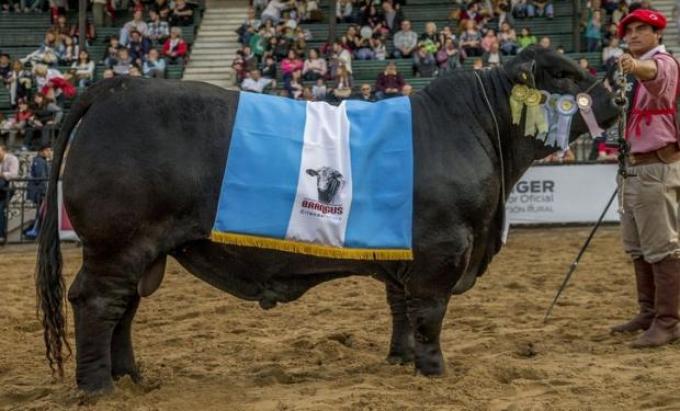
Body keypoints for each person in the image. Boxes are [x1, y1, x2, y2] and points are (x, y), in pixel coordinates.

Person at [610, 9, 680, 348]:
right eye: (630, 30)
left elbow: (655, 76)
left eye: (642, 29)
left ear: (657, 34)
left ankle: (668, 321)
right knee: (638, 246)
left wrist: (635, 66)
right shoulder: (632, 71)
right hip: (633, 166)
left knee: (662, 247)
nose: (634, 35)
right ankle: (649, 312)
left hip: (656, 165)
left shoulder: (662, 62)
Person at [0, 145, 19, 241]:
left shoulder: (12, 159)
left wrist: (2, 174)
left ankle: (1, 235)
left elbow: (13, 174)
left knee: (1, 209)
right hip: (1, 187)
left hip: (8, 187)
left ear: (3, 151)